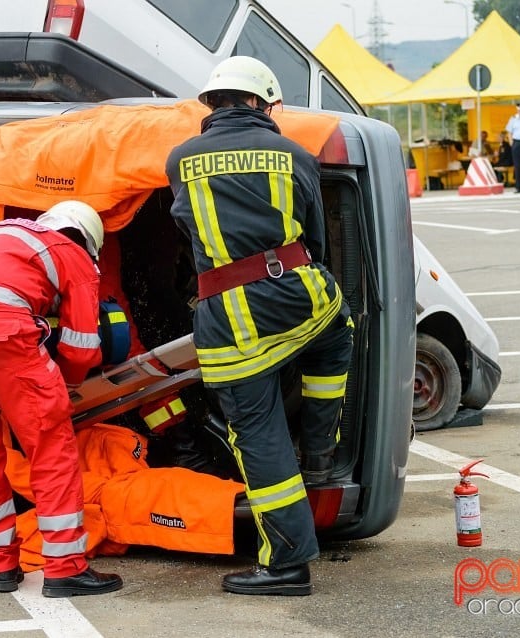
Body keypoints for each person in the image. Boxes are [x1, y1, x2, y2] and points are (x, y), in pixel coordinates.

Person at [165, 57, 353, 596]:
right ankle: (320, 451)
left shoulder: (180, 160)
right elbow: (315, 236)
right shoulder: (293, 154)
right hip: (305, 300)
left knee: (259, 437)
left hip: (231, 324)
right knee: (335, 342)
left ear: (213, 103)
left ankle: (288, 564)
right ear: (263, 103)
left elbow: (186, 233)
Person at [0, 200, 123, 598]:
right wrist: (60, 386)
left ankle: (1, 566)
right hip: (2, 336)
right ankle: (66, 569)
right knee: (50, 448)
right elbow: (82, 347)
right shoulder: (73, 254)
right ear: (87, 240)